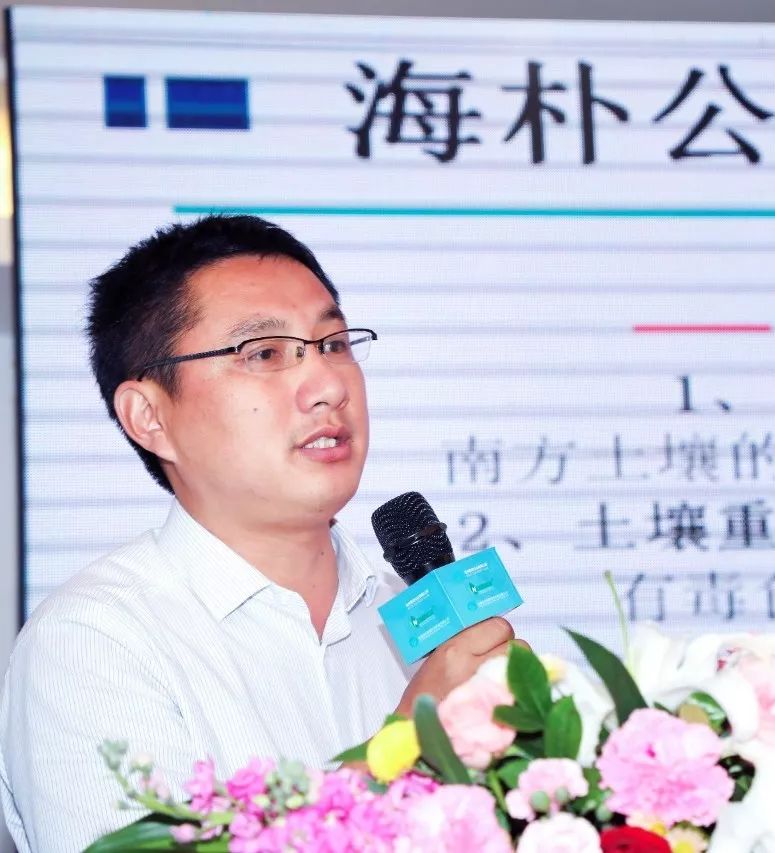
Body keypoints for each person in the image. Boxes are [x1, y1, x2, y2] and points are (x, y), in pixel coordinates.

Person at [0, 215, 518, 852]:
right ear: (150, 416)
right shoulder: (93, 643)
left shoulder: (415, 611)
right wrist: (405, 745)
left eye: (334, 344)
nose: (328, 385)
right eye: (264, 354)